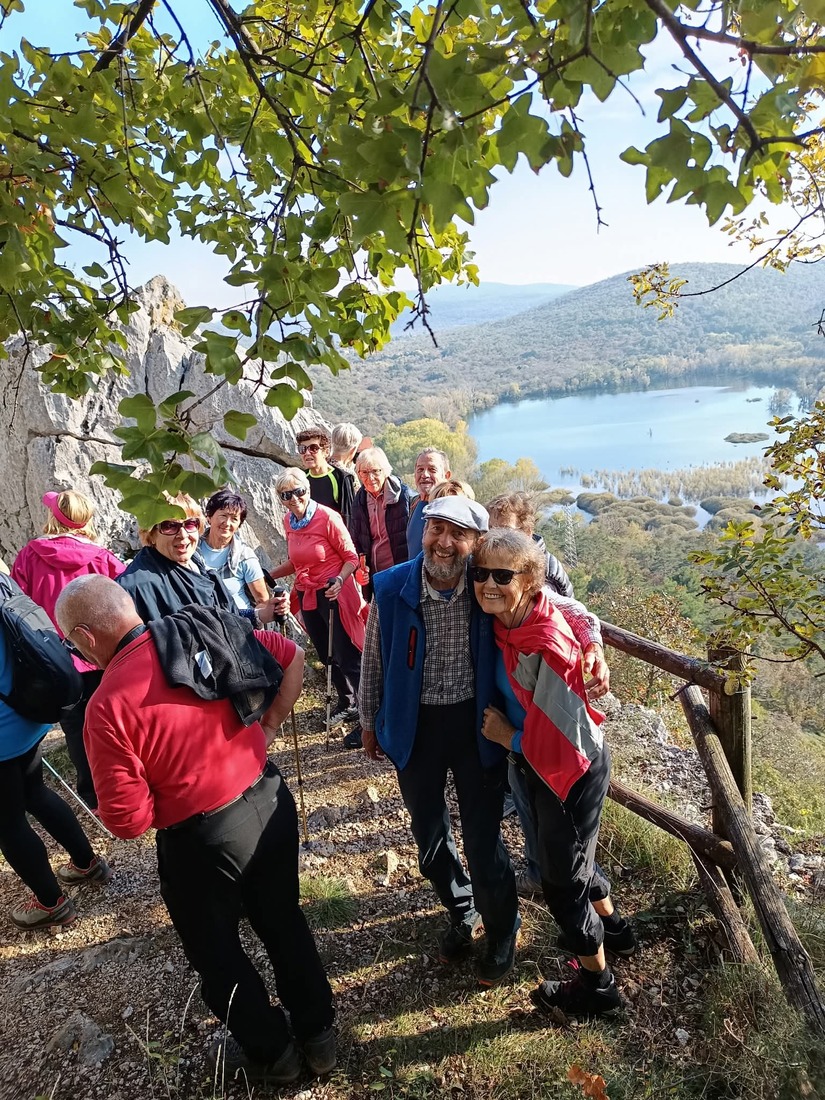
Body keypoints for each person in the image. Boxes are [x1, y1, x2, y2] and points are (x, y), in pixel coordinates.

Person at [54, 575, 334, 1084]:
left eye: (72, 643)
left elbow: (129, 821)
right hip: (267, 800)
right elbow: (291, 655)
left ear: (86, 637)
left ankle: (275, 1054)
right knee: (283, 920)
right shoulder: (202, 628)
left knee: (217, 953)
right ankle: (319, 1035)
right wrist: (268, 724)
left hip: (200, 842)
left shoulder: (106, 706)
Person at [473, 527, 636, 1018]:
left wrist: (509, 738)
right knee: (574, 861)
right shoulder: (510, 620)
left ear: (530, 582)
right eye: (481, 573)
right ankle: (617, 931)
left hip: (568, 771)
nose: (488, 584)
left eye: (502, 576)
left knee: (562, 884)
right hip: (538, 766)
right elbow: (581, 612)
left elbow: (560, 741)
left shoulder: (548, 643)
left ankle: (598, 989)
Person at [359, 495, 521, 987]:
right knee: (429, 836)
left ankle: (502, 930)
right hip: (416, 725)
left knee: (483, 838)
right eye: (437, 530)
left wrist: (591, 638)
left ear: (476, 542)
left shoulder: (487, 586)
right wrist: (368, 720)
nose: (445, 543)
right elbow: (374, 658)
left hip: (478, 726)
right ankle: (462, 908)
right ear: (423, 532)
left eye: (458, 534)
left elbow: (551, 603)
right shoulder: (392, 587)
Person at [0, 585, 111, 930]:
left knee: (8, 823)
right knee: (36, 793)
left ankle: (51, 903)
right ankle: (87, 863)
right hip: (25, 712)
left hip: (2, 733)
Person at [11, 489, 125, 810]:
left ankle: (92, 794)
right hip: (101, 655)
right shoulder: (102, 557)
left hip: (54, 659)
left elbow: (18, 606)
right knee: (113, 721)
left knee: (75, 728)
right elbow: (125, 596)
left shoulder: (30, 556)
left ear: (53, 517)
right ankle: (123, 785)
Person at [269, 468, 367, 745]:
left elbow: (351, 557)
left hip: (334, 592)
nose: (294, 498)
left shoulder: (327, 517)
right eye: (286, 495)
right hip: (308, 593)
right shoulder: (289, 521)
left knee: (347, 654)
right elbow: (296, 561)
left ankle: (369, 717)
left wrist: (340, 580)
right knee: (326, 653)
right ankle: (348, 702)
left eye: (298, 491)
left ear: (308, 489)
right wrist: (267, 575)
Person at [117, 493, 285, 626]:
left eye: (190, 524)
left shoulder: (194, 562)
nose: (183, 535)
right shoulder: (134, 588)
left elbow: (220, 614)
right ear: (151, 533)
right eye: (170, 526)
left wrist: (260, 615)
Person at [349, 447, 415, 595]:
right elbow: (355, 540)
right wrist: (359, 569)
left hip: (402, 575)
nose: (370, 478)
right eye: (364, 472)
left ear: (385, 471)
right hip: (375, 579)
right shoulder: (359, 500)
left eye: (375, 471)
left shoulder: (404, 496)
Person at [486, 491, 574, 597]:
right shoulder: (494, 560)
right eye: (490, 529)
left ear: (527, 532)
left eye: (504, 530)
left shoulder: (543, 575)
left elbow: (542, 604)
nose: (494, 537)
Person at [200, 489, 270, 612]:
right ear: (209, 517)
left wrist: (249, 618)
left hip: (237, 619)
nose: (227, 523)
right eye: (223, 515)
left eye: (234, 519)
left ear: (239, 525)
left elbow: (263, 602)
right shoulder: (191, 550)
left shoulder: (245, 556)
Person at [296, 426, 356, 525]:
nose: (307, 453)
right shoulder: (300, 479)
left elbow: (350, 519)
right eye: (302, 449)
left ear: (326, 452)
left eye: (313, 448)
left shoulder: (341, 478)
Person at [406, 448, 452, 557]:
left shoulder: (451, 509)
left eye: (432, 469)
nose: (424, 475)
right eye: (420, 469)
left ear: (446, 475)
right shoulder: (413, 504)